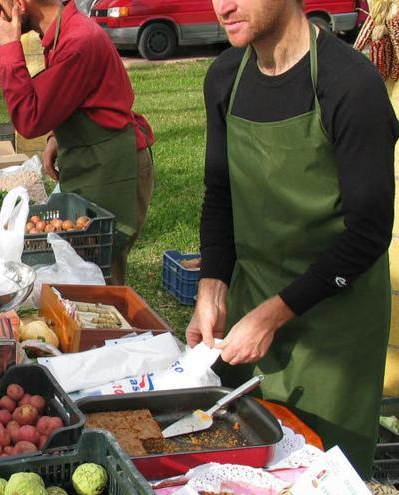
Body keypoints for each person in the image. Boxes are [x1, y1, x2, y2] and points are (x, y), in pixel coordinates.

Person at [188, 0, 398, 477]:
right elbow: (220, 193)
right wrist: (212, 286)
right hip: (251, 303)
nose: (224, 5)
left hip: (334, 328)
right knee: (240, 467)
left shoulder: (351, 86)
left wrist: (274, 314)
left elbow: (368, 233)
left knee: (319, 474)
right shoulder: (224, 77)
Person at [0, 0, 153, 285]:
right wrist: (57, 136)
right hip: (96, 158)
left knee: (98, 275)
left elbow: (30, 118)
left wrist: (7, 45)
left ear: (20, 5)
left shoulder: (78, 41)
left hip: (114, 169)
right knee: (81, 268)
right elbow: (72, 97)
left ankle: (111, 330)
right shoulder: (64, 34)